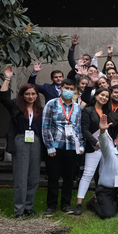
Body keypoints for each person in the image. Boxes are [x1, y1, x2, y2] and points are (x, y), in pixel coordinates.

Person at [0, 66, 43, 218]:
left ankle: (28, 207)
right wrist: (7, 78)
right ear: (22, 95)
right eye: (27, 94)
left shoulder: (40, 110)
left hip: (36, 141)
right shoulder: (15, 106)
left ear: (37, 96)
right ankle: (19, 210)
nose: (30, 96)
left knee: (33, 177)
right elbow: (2, 97)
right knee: (21, 177)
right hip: (21, 140)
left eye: (33, 94)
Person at [41, 78, 84, 217]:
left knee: (69, 178)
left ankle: (65, 204)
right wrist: (50, 147)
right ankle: (51, 206)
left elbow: (78, 128)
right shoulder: (51, 104)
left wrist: (81, 145)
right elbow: (45, 126)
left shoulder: (77, 107)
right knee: (53, 177)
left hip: (71, 147)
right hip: (55, 147)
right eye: (66, 88)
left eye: (72, 89)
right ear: (61, 89)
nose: (69, 91)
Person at [88, 115, 118, 219]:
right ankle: (94, 202)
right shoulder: (108, 152)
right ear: (115, 142)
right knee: (108, 215)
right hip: (105, 189)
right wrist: (102, 132)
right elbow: (104, 144)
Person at [74, 87, 112, 216]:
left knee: (103, 174)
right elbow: (84, 130)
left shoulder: (107, 112)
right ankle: (79, 203)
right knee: (88, 174)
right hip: (94, 147)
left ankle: (100, 200)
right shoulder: (88, 111)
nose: (104, 98)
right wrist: (95, 142)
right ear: (95, 96)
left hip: (107, 148)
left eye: (107, 96)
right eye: (102, 95)